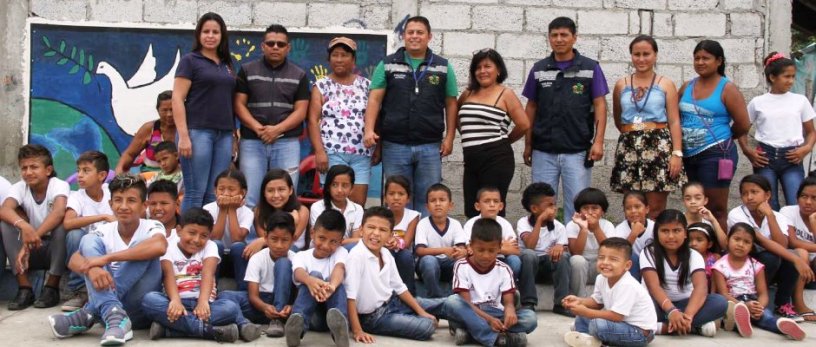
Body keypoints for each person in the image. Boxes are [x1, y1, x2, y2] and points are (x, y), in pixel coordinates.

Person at [48, 174, 167, 345]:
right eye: (118, 200)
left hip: (140, 309)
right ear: (111, 204)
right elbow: (74, 259)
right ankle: (114, 314)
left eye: (131, 200)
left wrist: (106, 259)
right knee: (87, 240)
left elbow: (159, 247)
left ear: (144, 206)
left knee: (145, 249)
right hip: (108, 314)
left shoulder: (151, 226)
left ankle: (89, 313)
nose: (124, 206)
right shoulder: (104, 229)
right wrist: (93, 268)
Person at [363, 16, 458, 216]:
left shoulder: (443, 67)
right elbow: (374, 100)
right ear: (403, 36)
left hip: (430, 146)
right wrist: (369, 129)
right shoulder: (387, 65)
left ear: (429, 37)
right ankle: (398, 245)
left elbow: (451, 103)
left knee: (429, 198)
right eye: (410, 32)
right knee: (398, 200)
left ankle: (423, 245)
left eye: (420, 32)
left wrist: (449, 138)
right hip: (395, 145)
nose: (415, 36)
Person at [522, 17, 609, 223]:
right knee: (541, 205)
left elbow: (600, 105)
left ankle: (573, 251)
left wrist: (598, 141)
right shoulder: (539, 69)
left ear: (574, 38)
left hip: (577, 150)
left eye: (564, 35)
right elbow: (531, 107)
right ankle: (543, 248)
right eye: (554, 35)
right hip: (543, 150)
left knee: (578, 205)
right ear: (549, 38)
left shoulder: (590, 68)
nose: (559, 39)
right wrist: (527, 144)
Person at [142, 208, 262, 342]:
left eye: (203, 235)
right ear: (179, 230)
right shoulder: (168, 247)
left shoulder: (210, 246)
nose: (196, 240)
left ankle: (168, 330)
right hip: (175, 303)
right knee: (149, 300)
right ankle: (209, 331)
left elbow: (208, 274)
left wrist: (203, 301)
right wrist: (175, 300)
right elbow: (168, 275)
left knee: (231, 308)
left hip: (206, 306)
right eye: (192, 233)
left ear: (209, 236)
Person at [344, 206, 448, 343]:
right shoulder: (356, 257)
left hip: (393, 303)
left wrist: (421, 311)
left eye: (382, 230)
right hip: (373, 317)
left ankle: (463, 325)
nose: (376, 233)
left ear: (390, 235)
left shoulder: (386, 253)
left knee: (449, 303)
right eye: (371, 227)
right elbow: (350, 297)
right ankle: (458, 323)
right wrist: (357, 330)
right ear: (361, 230)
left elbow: (399, 287)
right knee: (427, 326)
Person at [235, 24, 309, 208]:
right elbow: (238, 104)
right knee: (251, 196)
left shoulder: (299, 75)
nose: (275, 47)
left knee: (285, 197)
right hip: (252, 141)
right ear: (263, 46)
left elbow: (301, 111)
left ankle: (283, 236)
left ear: (288, 48)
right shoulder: (246, 70)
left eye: (280, 44)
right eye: (271, 43)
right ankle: (251, 237)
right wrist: (257, 128)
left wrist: (277, 130)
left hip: (287, 143)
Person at [611, 36, 685, 219]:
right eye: (637, 54)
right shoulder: (622, 84)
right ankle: (634, 243)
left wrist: (677, 153)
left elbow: (674, 120)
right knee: (633, 206)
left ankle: (655, 245)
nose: (641, 59)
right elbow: (619, 118)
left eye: (646, 54)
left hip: (658, 146)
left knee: (655, 206)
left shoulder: (665, 84)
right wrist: (634, 132)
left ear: (655, 55)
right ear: (631, 56)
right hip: (629, 146)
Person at [679, 40, 751, 229]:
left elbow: (743, 123)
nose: (701, 62)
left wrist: (723, 139)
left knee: (715, 208)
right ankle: (698, 246)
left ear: (719, 61)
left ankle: (718, 251)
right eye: (697, 58)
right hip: (688, 155)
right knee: (694, 207)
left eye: (706, 58)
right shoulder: (686, 86)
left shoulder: (727, 88)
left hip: (716, 155)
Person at [727, 174, 815, 318]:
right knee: (774, 257)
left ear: (767, 195)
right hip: (745, 262)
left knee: (786, 257)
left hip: (770, 265)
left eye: (754, 192)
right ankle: (755, 298)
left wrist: (770, 216)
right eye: (745, 193)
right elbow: (761, 241)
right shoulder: (736, 214)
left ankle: (783, 305)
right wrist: (797, 260)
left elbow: (782, 245)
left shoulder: (778, 216)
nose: (749, 197)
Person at [173, 12, 236, 212]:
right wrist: (183, 136)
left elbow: (230, 101)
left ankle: (207, 238)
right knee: (195, 191)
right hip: (197, 132)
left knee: (213, 192)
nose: (210, 36)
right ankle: (187, 237)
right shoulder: (190, 61)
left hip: (224, 135)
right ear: (198, 35)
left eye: (215, 32)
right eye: (206, 31)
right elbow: (177, 98)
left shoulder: (226, 64)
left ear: (222, 36)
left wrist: (234, 134)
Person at [739, 52, 816, 211]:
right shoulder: (758, 102)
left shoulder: (800, 101)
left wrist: (806, 149)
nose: (791, 81)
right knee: (768, 205)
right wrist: (748, 151)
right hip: (765, 158)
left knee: (796, 204)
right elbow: (741, 130)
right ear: (773, 77)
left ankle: (795, 236)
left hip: (792, 158)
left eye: (793, 76)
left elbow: (811, 132)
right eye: (786, 76)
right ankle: (773, 236)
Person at [458, 48, 529, 218]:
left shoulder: (505, 94)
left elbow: (524, 124)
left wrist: (504, 141)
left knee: (491, 208)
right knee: (472, 208)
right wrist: (468, 135)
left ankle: (494, 244)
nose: (482, 71)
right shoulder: (468, 93)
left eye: (487, 66)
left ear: (498, 70)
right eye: (478, 67)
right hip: (471, 159)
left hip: (496, 159)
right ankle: (475, 244)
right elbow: (456, 115)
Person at [446, 218, 537, 346]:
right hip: (472, 312)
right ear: (471, 246)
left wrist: (510, 310)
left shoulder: (504, 269)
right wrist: (489, 320)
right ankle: (497, 338)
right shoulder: (461, 266)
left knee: (530, 318)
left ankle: (471, 333)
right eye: (481, 250)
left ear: (499, 247)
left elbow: (509, 301)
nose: (486, 255)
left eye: (491, 250)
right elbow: (465, 303)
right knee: (452, 301)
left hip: (495, 313)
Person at [0, 144, 69, 310]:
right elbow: (4, 209)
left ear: (48, 170)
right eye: (24, 168)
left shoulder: (58, 185)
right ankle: (25, 288)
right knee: (6, 224)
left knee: (62, 226)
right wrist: (24, 226)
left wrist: (33, 234)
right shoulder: (19, 188)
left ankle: (51, 288)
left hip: (53, 250)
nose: (28, 172)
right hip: (29, 251)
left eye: (34, 167)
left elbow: (59, 212)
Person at [640, 209, 727, 336]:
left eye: (676, 231)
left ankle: (668, 327)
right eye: (665, 231)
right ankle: (693, 327)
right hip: (658, 305)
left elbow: (701, 288)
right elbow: (653, 287)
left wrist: (688, 316)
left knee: (720, 302)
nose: (671, 236)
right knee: (639, 305)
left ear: (685, 233)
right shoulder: (649, 253)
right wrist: (671, 311)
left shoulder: (694, 255)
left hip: (686, 304)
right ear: (656, 233)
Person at [713, 223, 807, 340]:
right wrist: (743, 306)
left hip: (753, 300)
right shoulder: (719, 266)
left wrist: (759, 307)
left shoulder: (756, 265)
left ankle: (780, 326)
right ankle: (741, 322)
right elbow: (723, 294)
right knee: (733, 312)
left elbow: (763, 293)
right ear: (727, 240)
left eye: (746, 242)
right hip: (733, 302)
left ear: (752, 246)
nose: (741, 245)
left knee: (766, 317)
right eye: (737, 239)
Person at [308, 37, 372, 206]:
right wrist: (319, 152)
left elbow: (374, 118)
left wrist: (377, 148)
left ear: (353, 59)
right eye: (335, 55)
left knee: (357, 206)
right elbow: (313, 121)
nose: (339, 59)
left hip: (361, 154)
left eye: (344, 55)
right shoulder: (321, 86)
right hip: (332, 153)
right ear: (329, 59)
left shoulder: (367, 85)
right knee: (335, 203)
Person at [562, 237, 657, 347]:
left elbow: (616, 316)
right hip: (619, 325)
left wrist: (586, 311)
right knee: (582, 317)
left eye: (613, 259)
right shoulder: (601, 278)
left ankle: (595, 339)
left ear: (627, 265)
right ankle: (587, 338)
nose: (605, 262)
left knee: (597, 325)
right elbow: (597, 303)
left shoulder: (627, 285)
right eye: (601, 258)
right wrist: (579, 301)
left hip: (640, 333)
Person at [219, 211, 296, 337]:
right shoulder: (258, 258)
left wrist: (292, 306)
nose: (279, 245)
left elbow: (300, 292)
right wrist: (265, 307)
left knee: (283, 263)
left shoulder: (297, 259)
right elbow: (253, 296)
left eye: (285, 240)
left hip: (284, 303)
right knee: (225, 295)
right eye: (274, 239)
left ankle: (277, 320)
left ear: (292, 239)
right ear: (265, 237)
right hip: (262, 301)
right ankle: (244, 323)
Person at [284, 210, 350, 347]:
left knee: (337, 283)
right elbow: (298, 272)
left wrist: (331, 286)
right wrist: (310, 281)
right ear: (312, 233)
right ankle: (297, 327)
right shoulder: (301, 256)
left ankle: (340, 329)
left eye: (333, 241)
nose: (326, 246)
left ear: (341, 241)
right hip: (311, 315)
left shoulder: (341, 252)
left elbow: (340, 268)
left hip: (330, 314)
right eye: (322, 238)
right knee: (314, 275)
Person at [62, 151, 114, 312]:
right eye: (78, 170)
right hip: (86, 251)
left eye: (86, 170)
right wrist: (102, 216)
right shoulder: (77, 196)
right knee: (74, 234)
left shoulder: (111, 192)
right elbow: (68, 222)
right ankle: (80, 290)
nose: (79, 175)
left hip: (111, 245)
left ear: (102, 175)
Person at [517, 182, 571, 316]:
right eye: (550, 205)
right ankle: (528, 303)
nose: (554, 208)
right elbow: (530, 245)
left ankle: (561, 303)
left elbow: (563, 249)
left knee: (563, 257)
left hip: (548, 267)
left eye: (554, 204)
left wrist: (560, 247)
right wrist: (540, 220)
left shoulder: (559, 227)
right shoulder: (523, 223)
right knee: (529, 254)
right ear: (534, 209)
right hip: (529, 268)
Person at [203, 169, 253, 290]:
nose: (225, 193)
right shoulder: (207, 208)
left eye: (231, 189)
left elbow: (237, 238)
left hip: (236, 257)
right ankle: (211, 289)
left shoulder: (247, 212)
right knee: (216, 244)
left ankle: (243, 292)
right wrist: (222, 210)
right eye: (221, 189)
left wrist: (232, 210)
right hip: (214, 257)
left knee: (238, 246)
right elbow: (215, 237)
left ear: (243, 192)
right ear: (215, 191)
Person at [415, 183, 467, 298]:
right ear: (427, 206)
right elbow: (420, 251)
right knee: (429, 261)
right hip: (428, 267)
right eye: (433, 201)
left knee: (463, 261)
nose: (438, 204)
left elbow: (461, 247)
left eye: (442, 200)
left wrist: (461, 252)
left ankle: (460, 297)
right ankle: (435, 298)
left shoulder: (455, 224)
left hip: (448, 264)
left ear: (450, 205)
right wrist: (444, 250)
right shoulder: (423, 224)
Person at [566, 188, 617, 298]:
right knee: (577, 260)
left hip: (597, 267)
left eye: (594, 208)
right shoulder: (572, 225)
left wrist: (596, 228)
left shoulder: (607, 225)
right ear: (579, 211)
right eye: (585, 208)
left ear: (602, 211)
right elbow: (576, 253)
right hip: (579, 270)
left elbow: (610, 251)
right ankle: (580, 298)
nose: (589, 212)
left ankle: (603, 299)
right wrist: (583, 229)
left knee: (608, 261)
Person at [246, 169, 309, 255]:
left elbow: (291, 238)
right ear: (264, 192)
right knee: (240, 248)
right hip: (268, 251)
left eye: (281, 189)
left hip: (293, 252)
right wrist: (292, 220)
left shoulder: (302, 210)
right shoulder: (258, 210)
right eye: (270, 190)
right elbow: (265, 238)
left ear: (290, 190)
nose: (276, 195)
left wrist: (261, 241)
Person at [781, 177, 816, 321]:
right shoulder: (788, 211)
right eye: (804, 196)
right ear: (797, 198)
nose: (808, 202)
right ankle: (798, 303)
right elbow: (793, 242)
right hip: (794, 265)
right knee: (802, 253)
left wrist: (813, 222)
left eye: (814, 198)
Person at [115, 90, 176, 174]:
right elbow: (129, 154)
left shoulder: (188, 129)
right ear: (158, 110)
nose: (169, 114)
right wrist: (119, 172)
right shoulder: (149, 129)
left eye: (172, 109)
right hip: (150, 177)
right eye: (164, 110)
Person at [309, 165, 364, 249]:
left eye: (345, 185)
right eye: (334, 185)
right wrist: (345, 241)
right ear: (328, 187)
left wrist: (340, 242)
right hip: (321, 249)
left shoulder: (358, 209)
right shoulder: (317, 207)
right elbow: (320, 238)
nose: (339, 190)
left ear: (352, 188)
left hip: (345, 250)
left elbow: (356, 240)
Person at [383, 175, 420, 294]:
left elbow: (407, 242)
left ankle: (410, 294)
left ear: (408, 198)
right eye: (391, 193)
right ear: (385, 198)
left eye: (401, 194)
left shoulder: (413, 216)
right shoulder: (380, 215)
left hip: (403, 257)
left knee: (405, 255)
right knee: (385, 253)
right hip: (383, 253)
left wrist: (395, 242)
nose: (396, 198)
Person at [614, 191, 654, 281]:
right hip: (632, 269)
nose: (633, 211)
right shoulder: (620, 229)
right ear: (624, 211)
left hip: (652, 267)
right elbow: (617, 253)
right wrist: (633, 234)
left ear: (647, 209)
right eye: (628, 208)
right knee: (631, 257)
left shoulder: (654, 228)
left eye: (637, 207)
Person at [681, 181, 728, 249]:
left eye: (698, 198)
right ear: (683, 201)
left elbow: (725, 246)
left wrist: (714, 221)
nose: (693, 202)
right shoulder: (678, 220)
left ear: (705, 200)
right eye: (688, 199)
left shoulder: (708, 222)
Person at [688, 222, 721, 291]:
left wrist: (713, 296)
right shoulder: (684, 258)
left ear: (709, 244)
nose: (693, 244)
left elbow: (715, 282)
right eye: (689, 240)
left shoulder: (715, 258)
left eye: (699, 240)